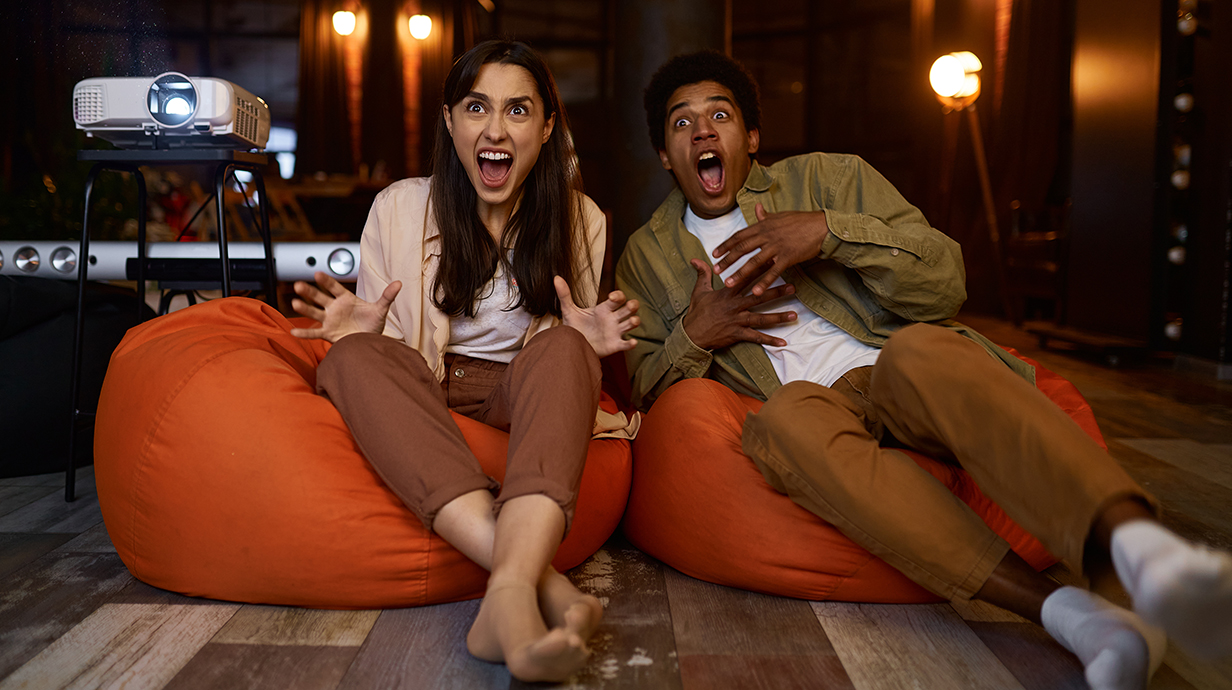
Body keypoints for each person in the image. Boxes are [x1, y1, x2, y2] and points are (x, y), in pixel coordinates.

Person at [615, 50, 1232, 690]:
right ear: (665, 154)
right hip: (807, 403)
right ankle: (1072, 614)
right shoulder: (647, 256)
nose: (704, 132)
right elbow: (642, 390)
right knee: (784, 425)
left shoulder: (831, 179)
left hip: (895, 365)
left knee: (917, 352)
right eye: (682, 123)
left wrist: (827, 233)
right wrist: (696, 332)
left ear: (752, 137)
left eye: (721, 115)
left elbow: (945, 281)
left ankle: (1141, 551)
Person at [290, 40, 640, 683]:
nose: (496, 130)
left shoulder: (582, 220)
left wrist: (584, 341)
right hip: (425, 381)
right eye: (477, 107)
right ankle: (536, 587)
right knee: (351, 359)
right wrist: (362, 333)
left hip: (517, 394)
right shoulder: (396, 207)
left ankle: (504, 599)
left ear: (546, 127)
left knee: (564, 346)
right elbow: (388, 357)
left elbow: (561, 365)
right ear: (450, 120)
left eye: (518, 110)